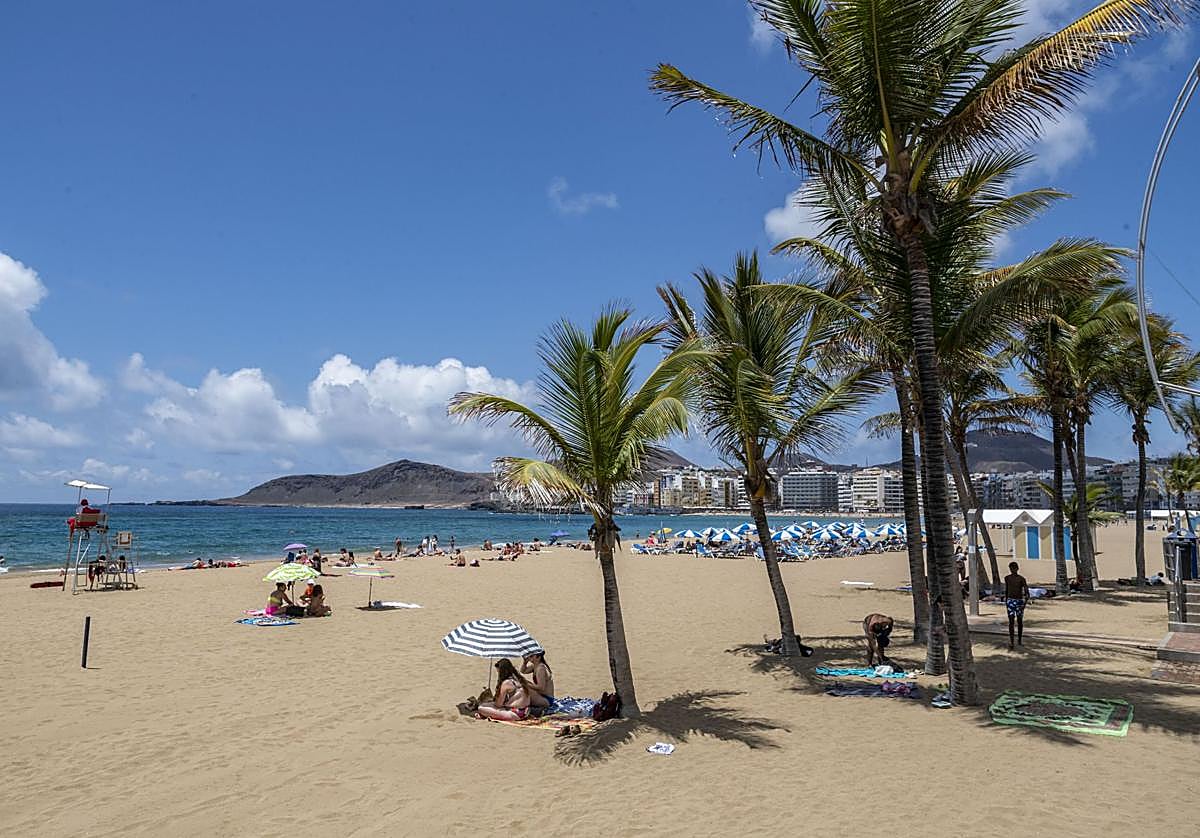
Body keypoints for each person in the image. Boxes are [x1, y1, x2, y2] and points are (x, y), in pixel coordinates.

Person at [472, 659, 536, 721]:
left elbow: (498, 704)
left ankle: (484, 715)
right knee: (488, 704)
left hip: (515, 713)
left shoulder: (506, 683)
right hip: (525, 711)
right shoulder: (520, 679)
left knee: (481, 707)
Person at [1004, 561, 1030, 650]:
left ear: (1017, 569)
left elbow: (1027, 593)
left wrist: (1024, 604)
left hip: (1019, 601)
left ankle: (1019, 640)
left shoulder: (1021, 579)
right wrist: (1006, 601)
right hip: (1010, 601)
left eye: (1014, 568)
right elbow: (1007, 590)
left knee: (1019, 621)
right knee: (1011, 621)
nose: (1013, 570)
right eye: (1011, 568)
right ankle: (1012, 641)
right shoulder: (1007, 578)